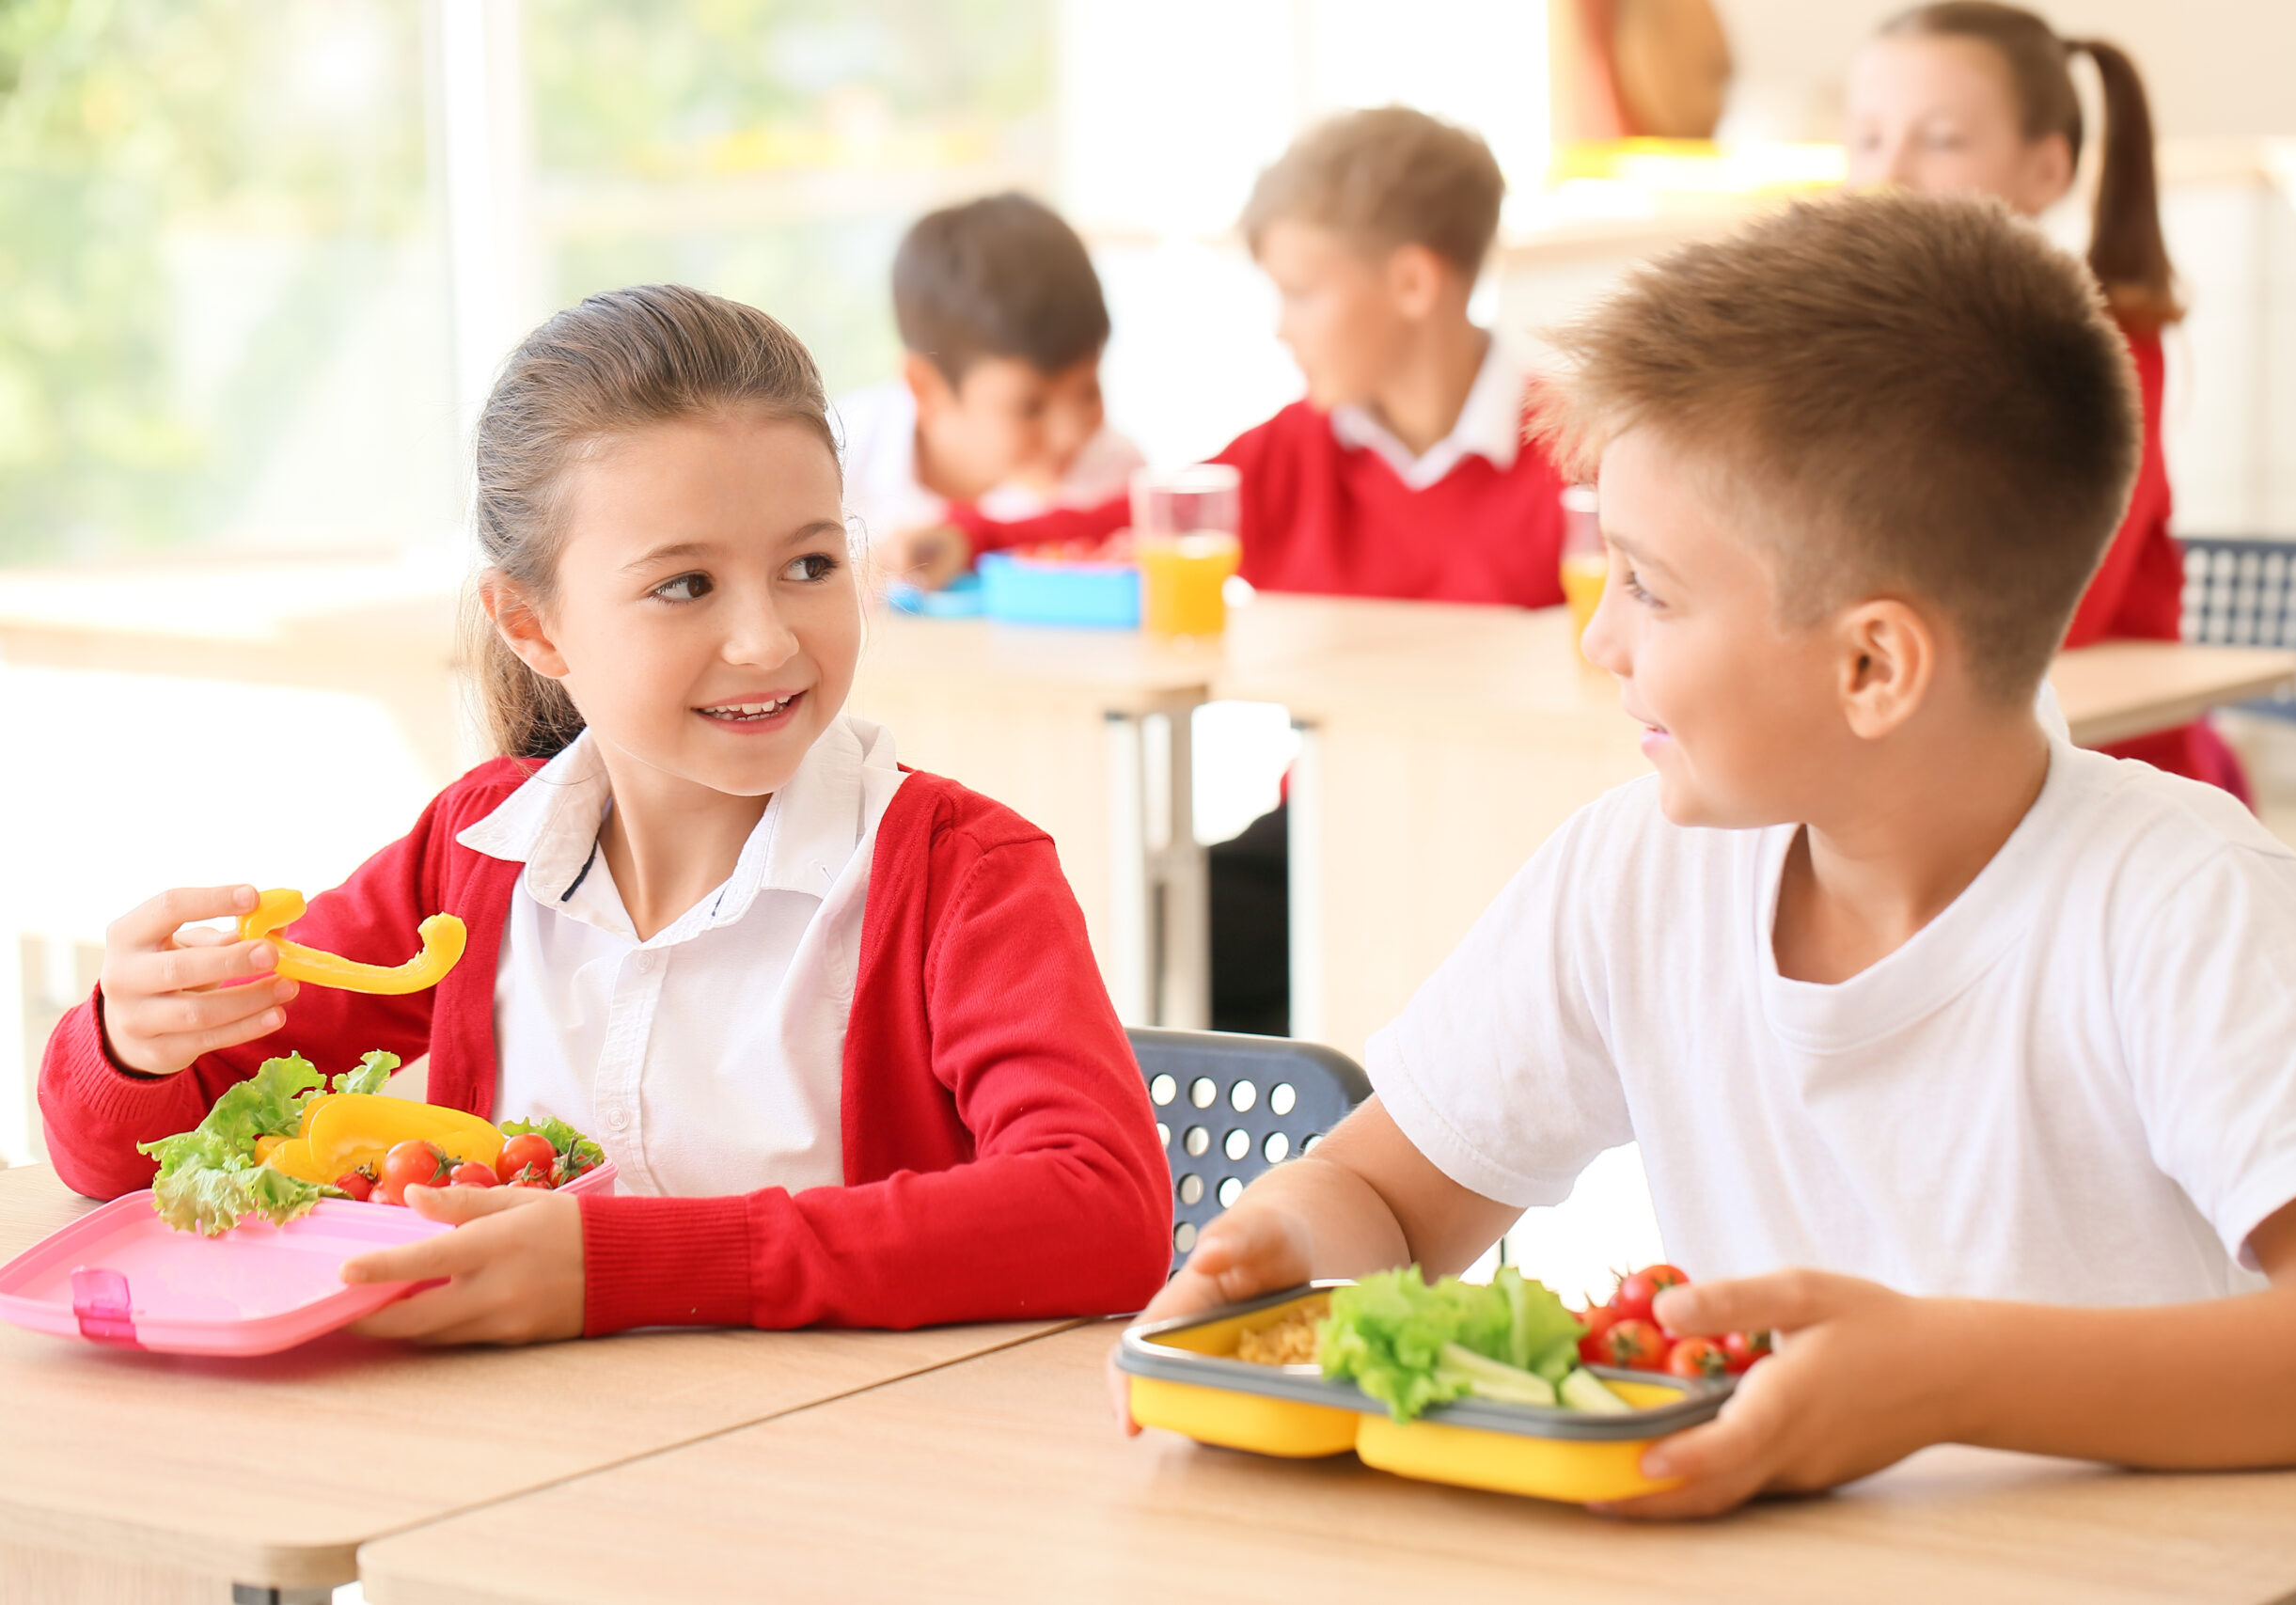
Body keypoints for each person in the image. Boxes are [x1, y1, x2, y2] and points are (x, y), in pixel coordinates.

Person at [1116, 192, 2296, 1517]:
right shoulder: (1639, 875)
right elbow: (1384, 1198)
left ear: (1872, 663)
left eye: (1649, 586)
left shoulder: (2181, 899)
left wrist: (1952, 1377)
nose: (1600, 639)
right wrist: (1286, 1238)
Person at [39, 284, 1172, 1344]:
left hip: (852, 1499)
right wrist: (132, 1046)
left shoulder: (958, 874)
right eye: (685, 585)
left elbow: (1103, 1208)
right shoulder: (470, 857)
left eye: (811, 565)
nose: (767, 640)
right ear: (532, 627)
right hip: (520, 1480)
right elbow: (113, 1157)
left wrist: (613, 1264)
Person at [880, 109, 1570, 1036]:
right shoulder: (1296, 450)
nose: (1281, 330)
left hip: (1530, 833)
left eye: (1299, 293)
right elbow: (1128, 517)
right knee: (1155, 946)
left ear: (1412, 281)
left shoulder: (1573, 447)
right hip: (1329, 825)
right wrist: (970, 533)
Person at [1846, 2, 2244, 796]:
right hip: (1934, 770)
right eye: (1866, 138)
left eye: (1942, 139)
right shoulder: (1865, 353)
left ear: (2048, 171)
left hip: (2108, 786)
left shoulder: (2105, 350)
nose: (1889, 174)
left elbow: (2051, 615)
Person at [839, 192, 1143, 561]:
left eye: (1089, 391)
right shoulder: (833, 462)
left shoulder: (1116, 478)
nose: (1071, 434)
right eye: (1031, 407)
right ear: (926, 389)